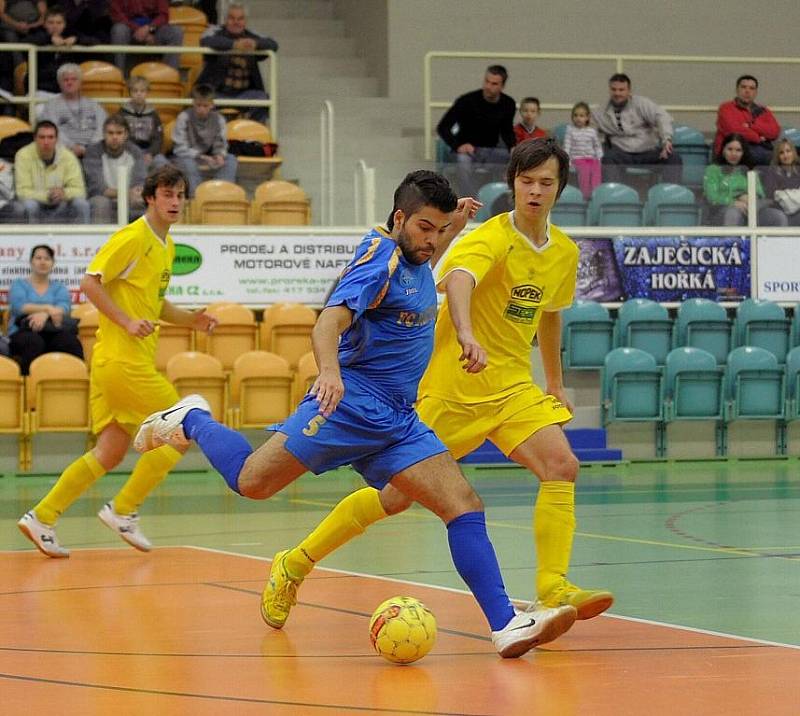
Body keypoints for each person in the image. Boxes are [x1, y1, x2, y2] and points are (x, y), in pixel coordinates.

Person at [134, 169, 578, 658]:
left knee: (464, 507)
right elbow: (329, 322)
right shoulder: (379, 262)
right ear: (399, 218)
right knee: (250, 482)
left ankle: (505, 624)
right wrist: (329, 372)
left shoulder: (415, 259)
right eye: (424, 229)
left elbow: (419, 269)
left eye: (439, 230)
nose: (431, 240)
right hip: (347, 407)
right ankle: (193, 417)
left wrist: (452, 225)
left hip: (399, 420)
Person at [254, 139, 614, 633]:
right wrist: (466, 332)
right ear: (512, 184)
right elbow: (460, 279)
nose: (534, 191)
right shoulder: (490, 237)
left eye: (545, 183)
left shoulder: (564, 252)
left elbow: (550, 315)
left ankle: (552, 586)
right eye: (526, 181)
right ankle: (294, 563)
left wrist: (553, 381)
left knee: (562, 465)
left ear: (560, 189)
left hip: (511, 387)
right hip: (450, 388)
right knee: (393, 498)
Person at [17, 165, 218, 558]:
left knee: (109, 451)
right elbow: (90, 282)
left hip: (115, 364)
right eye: (167, 194)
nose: (175, 201)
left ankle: (42, 516)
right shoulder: (132, 237)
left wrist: (191, 318)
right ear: (149, 198)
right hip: (124, 362)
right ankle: (124, 509)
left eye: (180, 195)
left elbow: (154, 303)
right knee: (181, 430)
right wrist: (126, 321)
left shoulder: (167, 245)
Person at [437, 65, 516, 197]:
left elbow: (506, 130)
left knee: (517, 158)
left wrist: (513, 147)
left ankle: (503, 198)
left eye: (494, 83)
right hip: (468, 150)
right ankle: (469, 200)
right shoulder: (466, 101)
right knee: (463, 162)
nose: (488, 86)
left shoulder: (508, 103)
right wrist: (458, 145)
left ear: (502, 86)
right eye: (486, 81)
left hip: (492, 151)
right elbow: (443, 127)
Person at [591, 73, 681, 184]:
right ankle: (613, 196)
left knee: (673, 158)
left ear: (629, 91)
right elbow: (589, 127)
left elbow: (661, 117)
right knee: (607, 158)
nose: (617, 93)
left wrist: (666, 140)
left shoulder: (642, 103)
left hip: (648, 151)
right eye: (614, 89)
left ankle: (670, 196)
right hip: (621, 153)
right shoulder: (601, 112)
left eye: (621, 90)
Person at [196, 1, 278, 124]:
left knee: (262, 98)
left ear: (245, 21)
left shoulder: (251, 35)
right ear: (225, 20)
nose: (236, 22)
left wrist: (255, 44)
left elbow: (273, 44)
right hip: (216, 92)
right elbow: (205, 41)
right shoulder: (215, 31)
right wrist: (234, 45)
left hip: (244, 93)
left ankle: (252, 136)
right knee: (201, 97)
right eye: (231, 18)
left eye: (240, 18)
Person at [8, 244, 84, 375]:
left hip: (53, 330)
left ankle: (75, 384)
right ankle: (29, 389)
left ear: (53, 263)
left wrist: (44, 315)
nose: (42, 262)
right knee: (33, 343)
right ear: (31, 261)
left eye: (47, 258)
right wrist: (48, 308)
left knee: (70, 342)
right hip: (23, 331)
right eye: (38, 258)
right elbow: (19, 307)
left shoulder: (59, 287)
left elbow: (64, 308)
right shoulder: (19, 284)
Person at [14, 120, 91, 224]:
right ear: (35, 138)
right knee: (29, 205)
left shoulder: (68, 156)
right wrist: (48, 195)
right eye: (42, 137)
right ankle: (33, 239)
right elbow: (22, 192)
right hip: (36, 204)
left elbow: (80, 191)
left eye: (50, 137)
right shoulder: (23, 155)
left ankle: (82, 240)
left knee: (82, 204)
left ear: (56, 139)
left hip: (62, 204)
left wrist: (64, 193)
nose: (46, 142)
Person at [171, 83, 237, 197]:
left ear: (212, 105)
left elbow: (221, 142)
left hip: (210, 156)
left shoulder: (219, 119)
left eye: (205, 106)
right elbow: (179, 148)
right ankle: (196, 198)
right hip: (189, 156)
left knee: (231, 159)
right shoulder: (184, 117)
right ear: (193, 103)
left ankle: (221, 196)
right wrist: (200, 156)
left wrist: (220, 155)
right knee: (188, 163)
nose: (201, 109)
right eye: (198, 105)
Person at [83, 114, 147, 223]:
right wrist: (126, 193)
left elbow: (139, 185)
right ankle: (101, 240)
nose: (114, 137)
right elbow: (98, 188)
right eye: (110, 133)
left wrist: (132, 193)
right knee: (100, 203)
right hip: (103, 197)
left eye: (119, 133)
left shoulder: (136, 152)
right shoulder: (93, 152)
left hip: (129, 198)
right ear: (104, 134)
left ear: (126, 134)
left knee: (140, 200)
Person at [39, 63, 107, 159]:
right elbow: (50, 131)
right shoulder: (51, 106)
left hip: (94, 153)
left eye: (74, 79)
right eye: (66, 80)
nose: (69, 83)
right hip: (63, 154)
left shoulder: (94, 105)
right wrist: (72, 146)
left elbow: (103, 127)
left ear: (80, 82)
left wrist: (90, 148)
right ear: (59, 83)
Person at [703, 133, 768, 226]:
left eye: (738, 150)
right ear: (723, 150)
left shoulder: (749, 170)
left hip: (750, 209)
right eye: (730, 149)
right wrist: (734, 202)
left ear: (743, 153)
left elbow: (760, 193)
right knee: (733, 213)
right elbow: (712, 197)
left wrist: (749, 198)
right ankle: (730, 240)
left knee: (776, 216)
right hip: (720, 212)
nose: (734, 154)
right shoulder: (713, 170)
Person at [715, 75, 781, 167]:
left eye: (751, 88)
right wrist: (758, 138)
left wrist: (750, 126)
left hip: (762, 151)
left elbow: (774, 132)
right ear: (737, 90)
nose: (747, 91)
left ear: (756, 92)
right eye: (743, 87)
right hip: (733, 152)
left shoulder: (763, 110)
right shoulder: (726, 108)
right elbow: (733, 130)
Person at [109, 0, 184, 70]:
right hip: (129, 29)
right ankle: (119, 75)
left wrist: (149, 29)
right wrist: (137, 30)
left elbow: (163, 15)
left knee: (176, 31)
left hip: (153, 29)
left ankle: (169, 77)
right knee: (118, 30)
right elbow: (117, 15)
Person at [26, 6, 78, 96]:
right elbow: (24, 42)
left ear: (64, 24)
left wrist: (77, 40)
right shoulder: (36, 36)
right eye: (51, 23)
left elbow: (94, 42)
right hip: (39, 91)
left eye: (59, 23)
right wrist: (49, 39)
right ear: (44, 24)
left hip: (64, 93)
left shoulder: (70, 36)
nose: (55, 26)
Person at [120, 76, 166, 170]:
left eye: (142, 91)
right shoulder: (121, 114)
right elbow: (121, 137)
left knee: (162, 164)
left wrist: (150, 153)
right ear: (129, 93)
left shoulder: (153, 114)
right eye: (135, 91)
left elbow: (158, 138)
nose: (139, 94)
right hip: (128, 152)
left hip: (149, 152)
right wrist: (136, 153)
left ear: (147, 93)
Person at [563, 101, 603, 200]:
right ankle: (585, 195)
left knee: (596, 169)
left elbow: (597, 146)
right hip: (577, 159)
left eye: (581, 116)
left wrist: (599, 158)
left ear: (587, 117)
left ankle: (595, 194)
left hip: (591, 158)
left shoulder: (592, 131)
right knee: (584, 171)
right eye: (575, 115)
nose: (578, 118)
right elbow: (567, 146)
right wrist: (567, 160)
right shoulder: (570, 130)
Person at [758, 137, 800, 227]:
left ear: (793, 152)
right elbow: (771, 195)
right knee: (780, 217)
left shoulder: (798, 171)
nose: (786, 155)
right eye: (781, 152)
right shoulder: (771, 171)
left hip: (795, 210)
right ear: (777, 156)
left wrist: (785, 195)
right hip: (774, 209)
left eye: (788, 151)